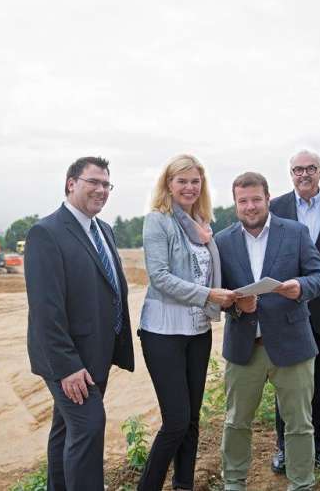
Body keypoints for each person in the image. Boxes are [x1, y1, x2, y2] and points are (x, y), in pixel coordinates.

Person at [25, 156, 134, 491]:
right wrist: (67, 366)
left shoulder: (104, 230)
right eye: (93, 182)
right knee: (88, 425)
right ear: (71, 183)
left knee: (66, 430)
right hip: (69, 361)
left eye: (106, 184)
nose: (101, 190)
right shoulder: (47, 233)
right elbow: (46, 309)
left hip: (96, 353)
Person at [216, 171, 320, 491]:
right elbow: (217, 295)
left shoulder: (294, 232)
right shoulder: (222, 241)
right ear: (235, 204)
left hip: (292, 345)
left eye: (255, 199)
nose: (250, 206)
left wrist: (300, 287)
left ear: (268, 199)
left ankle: (301, 483)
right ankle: (234, 483)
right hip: (244, 347)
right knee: (236, 422)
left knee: (299, 423)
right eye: (243, 201)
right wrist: (238, 306)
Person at [137, 154, 236, 491]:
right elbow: (160, 278)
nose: (190, 187)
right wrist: (209, 294)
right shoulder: (158, 221)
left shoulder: (203, 225)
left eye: (195, 181)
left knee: (192, 420)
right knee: (176, 421)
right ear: (169, 184)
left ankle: (184, 485)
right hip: (163, 332)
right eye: (182, 181)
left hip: (198, 331)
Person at [269, 149, 320, 476]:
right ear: (290, 174)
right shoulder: (276, 208)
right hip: (285, 311)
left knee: (319, 383)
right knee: (287, 384)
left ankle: (319, 449)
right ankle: (284, 449)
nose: (304, 174)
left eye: (311, 168)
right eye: (298, 169)